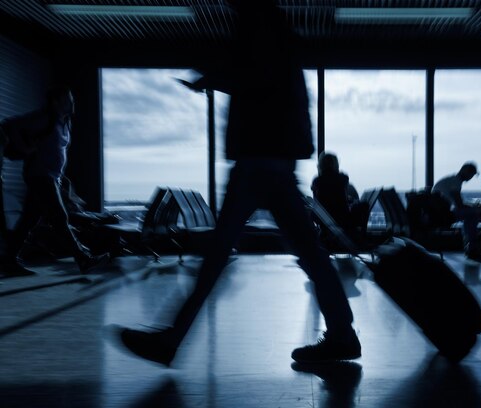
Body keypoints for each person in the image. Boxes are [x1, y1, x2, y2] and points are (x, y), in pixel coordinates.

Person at [111, 0, 361, 366]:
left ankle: (171, 340)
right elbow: (264, 79)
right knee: (308, 254)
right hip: (274, 160)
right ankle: (342, 334)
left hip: (257, 160)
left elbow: (254, 77)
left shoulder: (258, 26)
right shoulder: (276, 32)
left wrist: (210, 77)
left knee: (218, 255)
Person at [0, 85, 110, 276]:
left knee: (29, 220)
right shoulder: (44, 118)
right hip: (40, 176)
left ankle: (8, 261)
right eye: (68, 99)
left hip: (52, 177)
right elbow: (9, 125)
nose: (72, 102)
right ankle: (83, 258)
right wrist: (25, 149)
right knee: (60, 218)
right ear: (56, 102)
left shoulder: (64, 122)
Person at [311, 151, 368, 243]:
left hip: (323, 220)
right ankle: (361, 238)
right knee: (364, 205)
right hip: (343, 219)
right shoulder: (343, 178)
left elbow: (321, 200)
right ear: (336, 164)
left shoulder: (316, 181)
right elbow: (340, 199)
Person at [432, 162, 481, 260]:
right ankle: (472, 248)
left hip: (438, 213)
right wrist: (476, 209)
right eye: (471, 174)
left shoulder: (451, 180)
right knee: (473, 215)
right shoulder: (455, 182)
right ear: (464, 171)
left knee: (470, 214)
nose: (471, 177)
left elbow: (457, 204)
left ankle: (470, 246)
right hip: (442, 215)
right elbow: (459, 205)